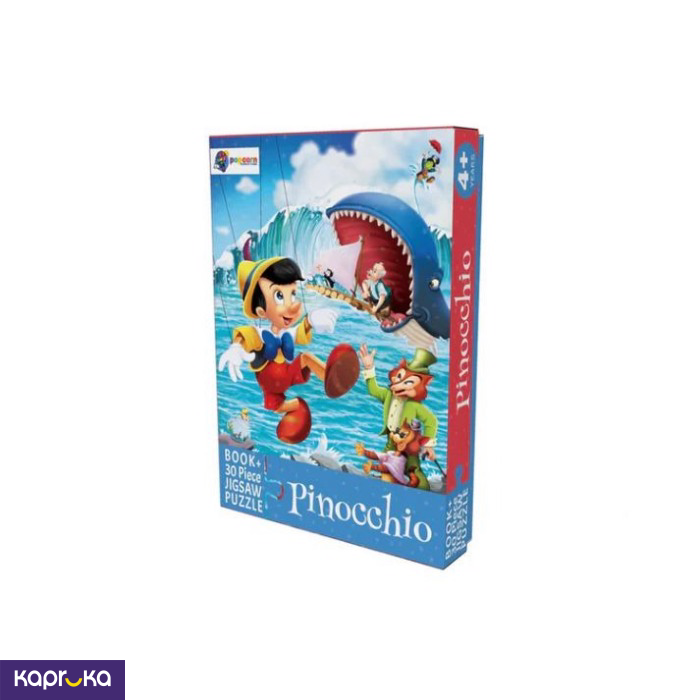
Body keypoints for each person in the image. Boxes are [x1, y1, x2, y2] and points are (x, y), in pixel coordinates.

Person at [218, 257, 359, 444]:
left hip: (286, 374)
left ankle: (331, 379)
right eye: (279, 296)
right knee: (282, 405)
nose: (291, 304)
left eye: (292, 294)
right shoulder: (259, 334)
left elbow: (298, 333)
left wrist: (310, 321)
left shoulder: (285, 333)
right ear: (261, 311)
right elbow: (245, 337)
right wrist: (236, 348)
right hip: (271, 385)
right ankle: (296, 409)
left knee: (306, 358)